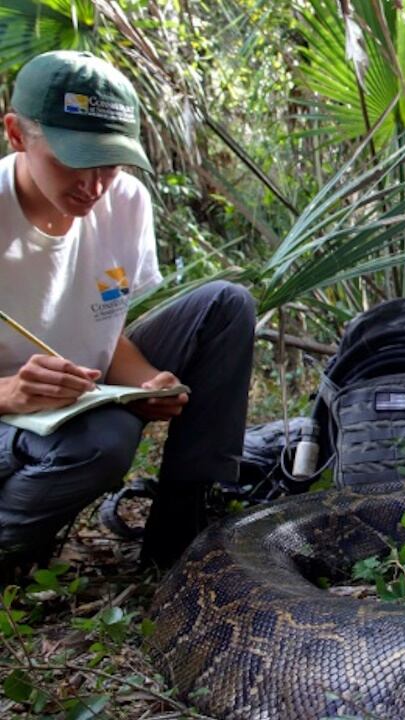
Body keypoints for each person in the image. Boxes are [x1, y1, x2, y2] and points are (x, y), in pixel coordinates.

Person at [0, 51, 255, 578]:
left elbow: (102, 330)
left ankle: (182, 535)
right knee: (107, 438)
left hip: (78, 394)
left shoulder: (125, 203)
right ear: (17, 135)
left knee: (226, 305)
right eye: (74, 158)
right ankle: (10, 547)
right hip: (15, 414)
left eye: (109, 163)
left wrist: (148, 382)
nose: (93, 185)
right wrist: (10, 393)